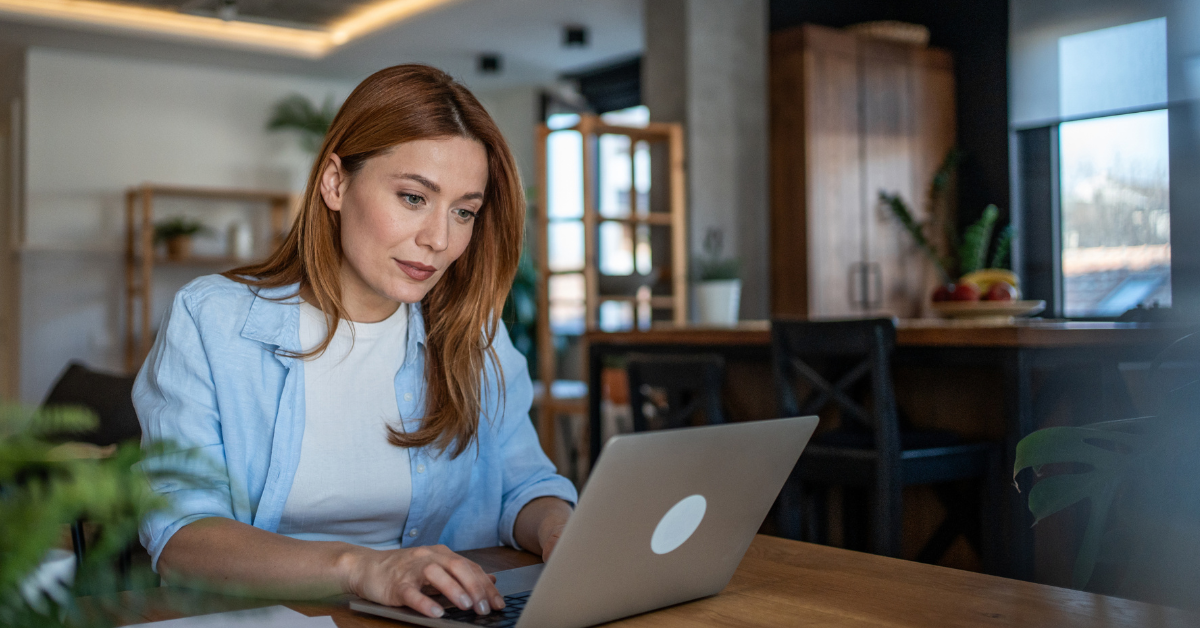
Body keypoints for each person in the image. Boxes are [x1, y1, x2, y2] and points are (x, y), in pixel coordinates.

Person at [133, 65, 577, 620]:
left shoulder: (473, 335)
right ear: (335, 183)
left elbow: (523, 486)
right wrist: (364, 568)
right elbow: (181, 538)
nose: (439, 239)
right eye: (414, 197)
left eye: (464, 211)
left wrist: (561, 528)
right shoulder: (212, 321)